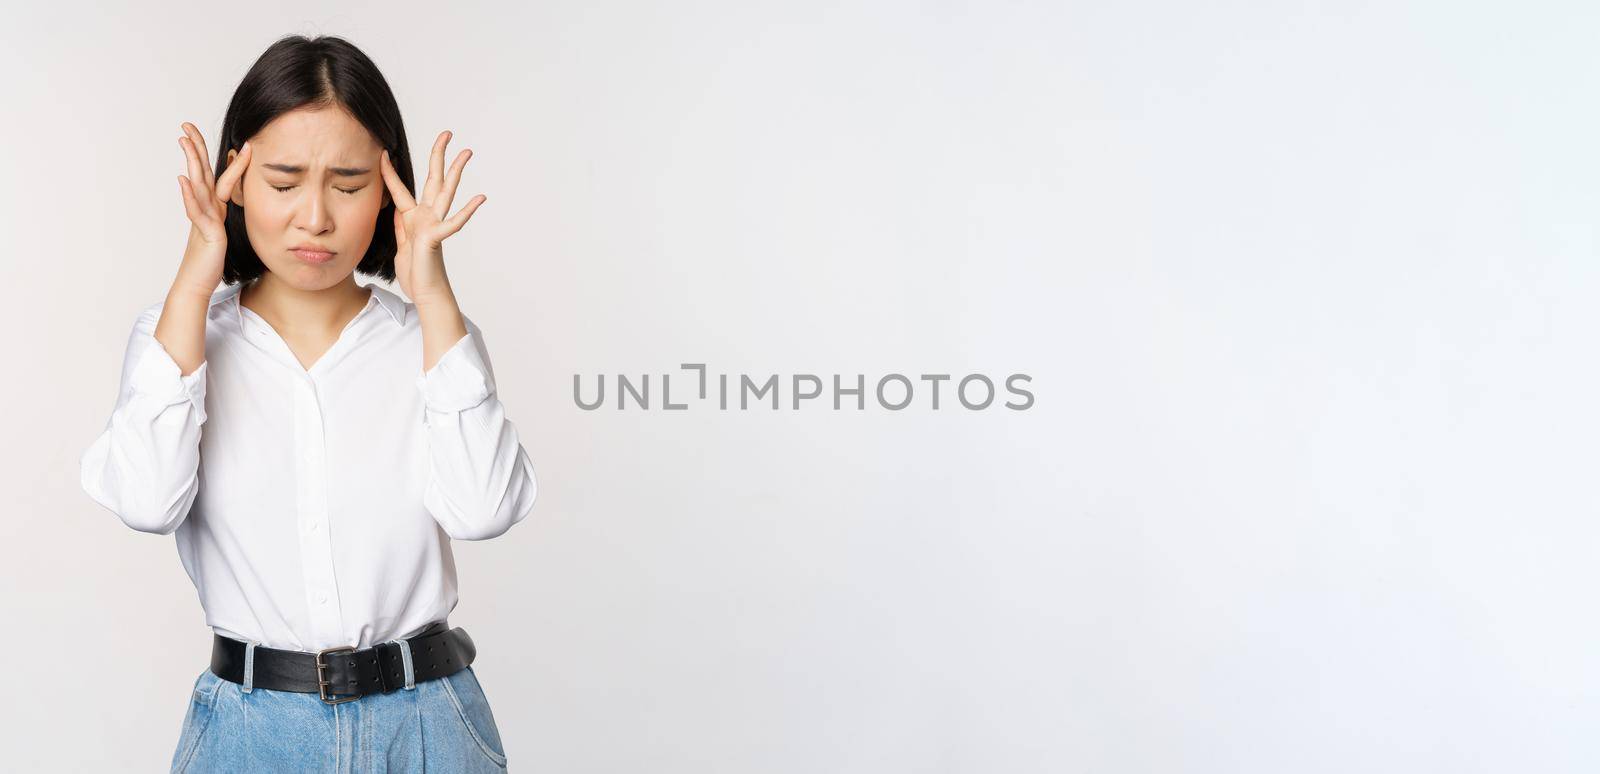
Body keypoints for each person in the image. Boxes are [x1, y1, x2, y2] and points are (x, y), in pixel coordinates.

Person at [78, 34, 534, 772]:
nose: (315, 218)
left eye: (349, 185)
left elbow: (485, 509)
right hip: (250, 732)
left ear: (388, 191)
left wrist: (435, 294)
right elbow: (145, 501)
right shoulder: (180, 336)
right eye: (284, 182)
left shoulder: (430, 339)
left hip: (428, 727)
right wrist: (195, 284)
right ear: (236, 178)